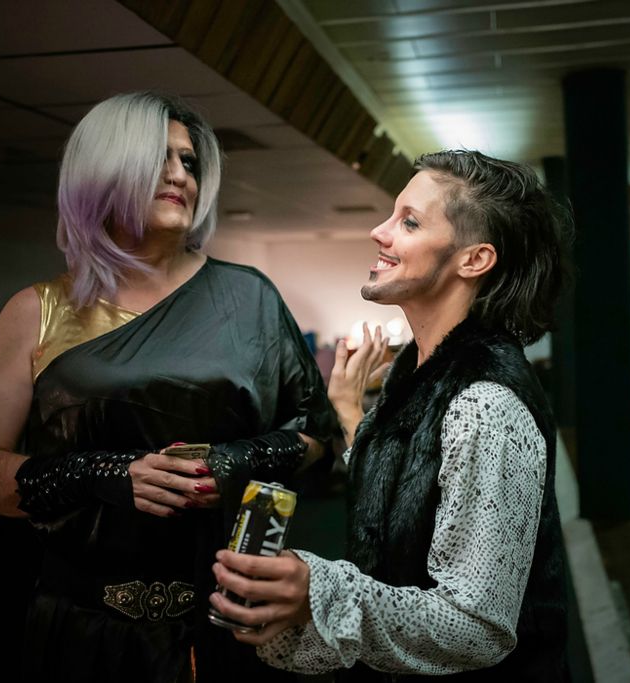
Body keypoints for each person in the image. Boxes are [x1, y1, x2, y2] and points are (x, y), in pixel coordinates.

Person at [0, 92, 335, 683]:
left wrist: (238, 461)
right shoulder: (37, 312)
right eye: (160, 158)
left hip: (229, 617)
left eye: (189, 161)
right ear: (104, 169)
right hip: (84, 629)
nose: (180, 174)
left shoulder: (249, 297)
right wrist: (102, 475)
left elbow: (319, 437)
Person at [209, 150, 571, 680]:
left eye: (409, 221)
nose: (380, 232)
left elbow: (477, 626)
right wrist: (349, 410)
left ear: (474, 260)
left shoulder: (485, 402)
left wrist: (320, 590)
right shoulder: (419, 370)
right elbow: (411, 502)